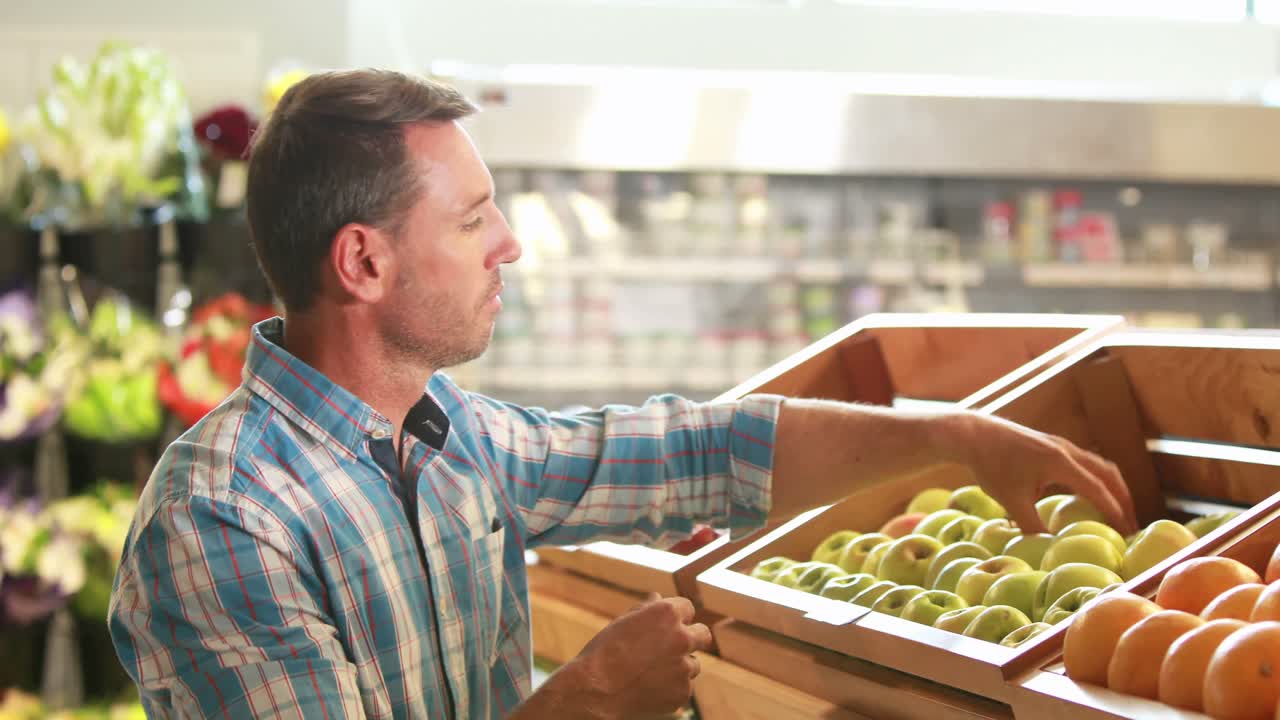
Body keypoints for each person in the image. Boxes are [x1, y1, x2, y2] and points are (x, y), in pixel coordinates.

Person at [108, 69, 1136, 720]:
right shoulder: (222, 518)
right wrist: (589, 701)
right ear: (364, 264)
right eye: (472, 221)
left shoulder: (451, 438)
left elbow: (697, 453)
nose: (508, 243)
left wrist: (951, 436)